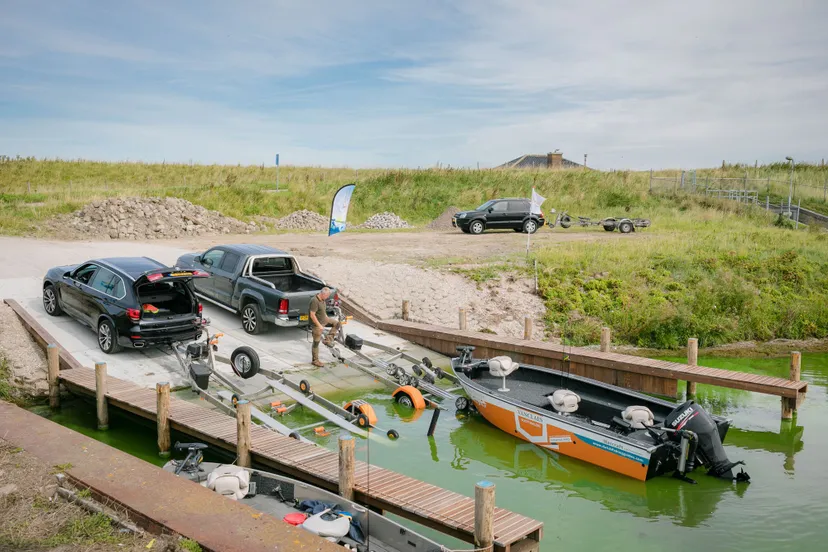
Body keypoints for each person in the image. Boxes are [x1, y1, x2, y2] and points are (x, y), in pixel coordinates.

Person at [308, 287, 340, 367]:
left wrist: (326, 317)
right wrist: (319, 325)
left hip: (324, 320)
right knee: (316, 342)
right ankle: (315, 360)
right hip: (317, 324)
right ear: (323, 294)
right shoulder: (314, 301)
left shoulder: (322, 300)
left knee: (337, 323)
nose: (327, 298)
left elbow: (322, 310)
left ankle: (328, 340)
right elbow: (312, 315)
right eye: (327, 296)